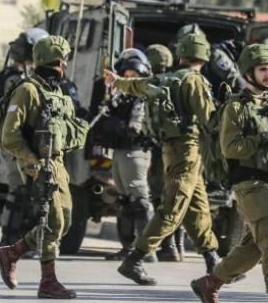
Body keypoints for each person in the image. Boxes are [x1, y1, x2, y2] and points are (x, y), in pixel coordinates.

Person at [189, 43, 268, 303]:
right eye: (263, 69)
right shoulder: (236, 107)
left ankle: (210, 283)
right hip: (248, 184)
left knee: (254, 247)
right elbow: (231, 148)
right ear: (249, 73)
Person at [104, 33, 221, 285]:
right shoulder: (194, 81)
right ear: (204, 56)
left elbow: (138, 85)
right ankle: (134, 260)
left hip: (173, 150)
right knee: (172, 208)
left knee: (197, 208)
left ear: (181, 54)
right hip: (188, 150)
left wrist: (117, 81)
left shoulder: (165, 79)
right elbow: (211, 121)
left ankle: (213, 260)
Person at [0, 35, 89, 299]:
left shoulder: (56, 92)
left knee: (64, 221)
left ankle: (12, 253)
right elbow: (9, 136)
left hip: (58, 163)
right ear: (56, 61)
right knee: (52, 220)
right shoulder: (28, 90)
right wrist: (31, 162)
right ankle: (48, 281)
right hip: (38, 165)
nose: (65, 64)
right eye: (64, 59)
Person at [95, 49, 156, 262]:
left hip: (135, 151)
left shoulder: (143, 97)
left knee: (139, 200)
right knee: (124, 201)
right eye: (126, 75)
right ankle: (127, 248)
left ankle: (146, 250)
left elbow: (134, 129)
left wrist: (112, 123)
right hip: (120, 151)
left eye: (133, 75)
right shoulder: (121, 96)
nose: (129, 79)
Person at [0, 28, 49, 246]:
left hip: (19, 143)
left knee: (27, 191)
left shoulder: (18, 77)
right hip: (15, 144)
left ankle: (19, 239)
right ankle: (9, 239)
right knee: (19, 191)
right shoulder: (16, 81)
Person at [144, 43, 186, 263]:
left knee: (162, 197)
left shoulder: (153, 85)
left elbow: (148, 122)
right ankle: (178, 246)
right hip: (180, 148)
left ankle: (168, 246)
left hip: (159, 148)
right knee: (178, 196)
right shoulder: (178, 82)